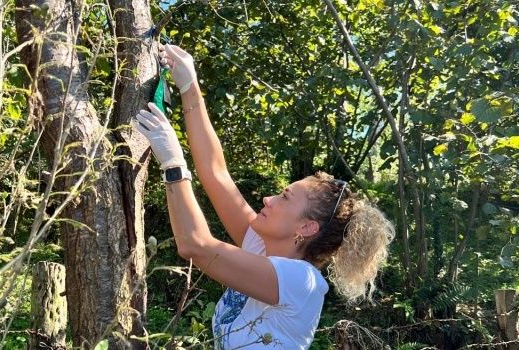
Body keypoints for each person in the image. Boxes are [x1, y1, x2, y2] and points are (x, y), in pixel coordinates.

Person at [135, 44, 395, 349]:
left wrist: (174, 165)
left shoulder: (302, 282)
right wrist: (190, 87)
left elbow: (196, 246)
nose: (267, 199)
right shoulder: (261, 246)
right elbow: (215, 172)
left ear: (307, 227)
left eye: (284, 197)